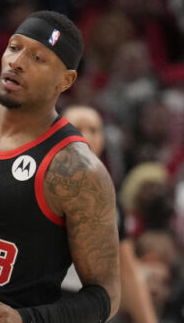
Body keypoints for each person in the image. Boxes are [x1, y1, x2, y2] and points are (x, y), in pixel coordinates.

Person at [0, 11, 120, 322]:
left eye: (38, 58)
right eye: (14, 48)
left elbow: (105, 296)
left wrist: (26, 319)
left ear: (65, 81)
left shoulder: (76, 170)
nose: (17, 62)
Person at [63, 105, 157, 323]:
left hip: (88, 303)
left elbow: (127, 268)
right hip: (42, 299)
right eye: (77, 127)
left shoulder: (110, 197)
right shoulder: (36, 179)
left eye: (94, 130)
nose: (86, 136)